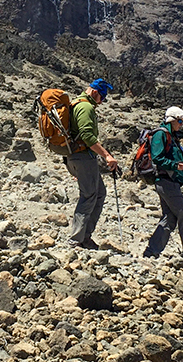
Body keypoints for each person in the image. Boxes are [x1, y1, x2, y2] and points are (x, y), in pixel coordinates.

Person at [143, 106, 183, 259]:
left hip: (169, 181)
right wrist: (174, 166)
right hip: (166, 182)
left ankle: (151, 251)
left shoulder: (172, 137)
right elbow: (157, 158)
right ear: (171, 120)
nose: (181, 124)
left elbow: (179, 164)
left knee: (169, 218)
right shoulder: (161, 134)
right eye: (179, 121)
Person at [66, 78, 119, 249]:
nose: (102, 102)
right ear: (95, 92)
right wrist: (107, 156)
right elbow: (88, 136)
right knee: (89, 196)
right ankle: (76, 239)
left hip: (75, 157)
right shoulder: (85, 107)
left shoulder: (75, 104)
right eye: (102, 97)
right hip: (83, 157)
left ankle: (85, 235)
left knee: (99, 193)